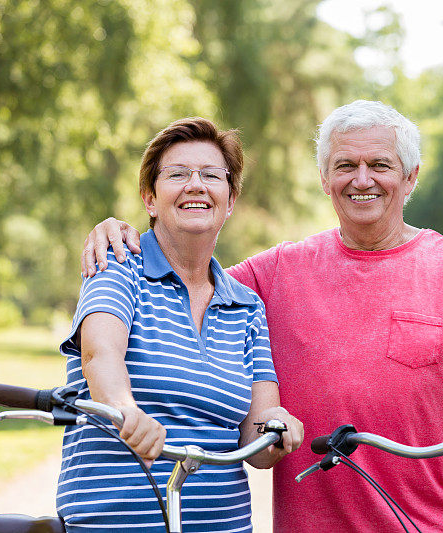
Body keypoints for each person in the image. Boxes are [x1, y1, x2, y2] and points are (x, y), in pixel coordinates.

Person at [81, 100, 443, 532]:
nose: (362, 178)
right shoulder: (273, 275)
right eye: (344, 165)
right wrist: (124, 232)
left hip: (427, 523)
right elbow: (190, 270)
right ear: (325, 178)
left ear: (411, 176)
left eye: (380, 164)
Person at [58, 117, 303, 532]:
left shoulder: (247, 306)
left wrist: (277, 430)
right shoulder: (118, 267)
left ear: (230, 201)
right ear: (150, 199)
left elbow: (255, 443)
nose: (195, 184)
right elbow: (99, 354)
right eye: (177, 174)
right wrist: (125, 411)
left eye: (211, 175)